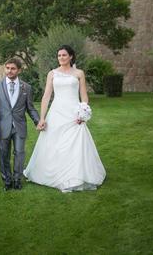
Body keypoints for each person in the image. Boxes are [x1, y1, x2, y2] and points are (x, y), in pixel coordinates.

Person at [24, 45, 106, 192]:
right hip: (56, 112)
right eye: (59, 55)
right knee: (54, 143)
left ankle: (76, 175)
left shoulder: (79, 73)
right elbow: (46, 96)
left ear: (71, 56)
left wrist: (83, 112)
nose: (61, 58)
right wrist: (42, 118)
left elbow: (84, 95)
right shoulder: (52, 74)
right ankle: (54, 173)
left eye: (64, 55)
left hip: (74, 113)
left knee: (75, 143)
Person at [0, 58, 40, 191]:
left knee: (19, 153)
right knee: (3, 154)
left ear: (19, 70)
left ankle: (17, 179)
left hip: (19, 126)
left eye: (13, 68)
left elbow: (30, 108)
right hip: (2, 126)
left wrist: (37, 121)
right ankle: (7, 181)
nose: (9, 71)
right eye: (7, 68)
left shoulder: (26, 87)